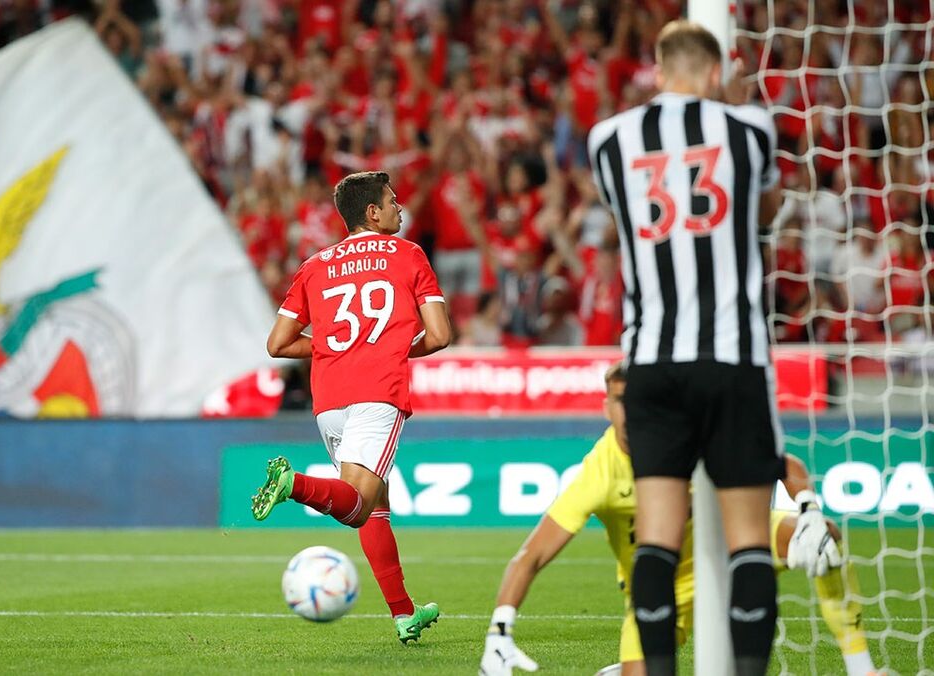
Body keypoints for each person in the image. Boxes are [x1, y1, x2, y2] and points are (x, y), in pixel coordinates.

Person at [584, 21, 785, 676]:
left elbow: (629, 214)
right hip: (732, 357)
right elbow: (763, 211)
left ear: (658, 69)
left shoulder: (608, 139)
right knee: (749, 539)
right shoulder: (751, 129)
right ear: (717, 72)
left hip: (652, 361)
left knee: (658, 536)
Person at [478, 364, 877, 676]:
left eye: (636, 398)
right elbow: (532, 555)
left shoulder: (686, 429)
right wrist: (500, 627)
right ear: (606, 407)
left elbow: (778, 462)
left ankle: (862, 667)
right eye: (619, 400)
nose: (629, 410)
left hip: (727, 538)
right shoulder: (598, 475)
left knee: (824, 539)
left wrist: (808, 508)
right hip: (660, 583)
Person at [254, 170, 452, 643]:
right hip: (377, 392)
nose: (400, 207)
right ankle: (294, 484)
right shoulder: (408, 254)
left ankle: (404, 614)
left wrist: (334, 346)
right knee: (359, 505)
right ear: (373, 212)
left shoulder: (315, 264)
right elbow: (440, 335)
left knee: (376, 502)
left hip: (328, 400)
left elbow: (277, 344)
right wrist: (390, 347)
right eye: (392, 200)